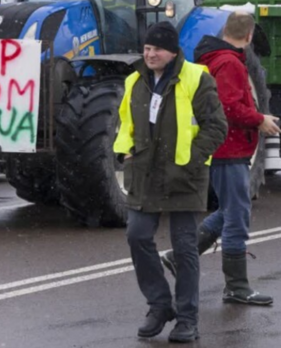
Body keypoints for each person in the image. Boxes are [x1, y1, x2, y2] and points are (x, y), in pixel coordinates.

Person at [114, 21, 227, 343]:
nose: (150, 54)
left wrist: (191, 159)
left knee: (185, 248)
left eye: (157, 49)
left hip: (184, 176)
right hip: (145, 174)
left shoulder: (196, 77)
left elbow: (216, 126)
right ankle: (160, 306)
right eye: (147, 48)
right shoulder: (134, 80)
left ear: (173, 52)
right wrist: (126, 153)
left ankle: (187, 319)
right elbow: (125, 123)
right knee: (137, 235)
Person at [162, 11, 280, 306]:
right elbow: (227, 107)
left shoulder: (215, 58)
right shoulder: (229, 63)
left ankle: (180, 257)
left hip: (224, 148)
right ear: (249, 36)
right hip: (229, 149)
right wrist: (259, 119)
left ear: (225, 29)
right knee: (237, 217)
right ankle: (236, 287)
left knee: (231, 210)